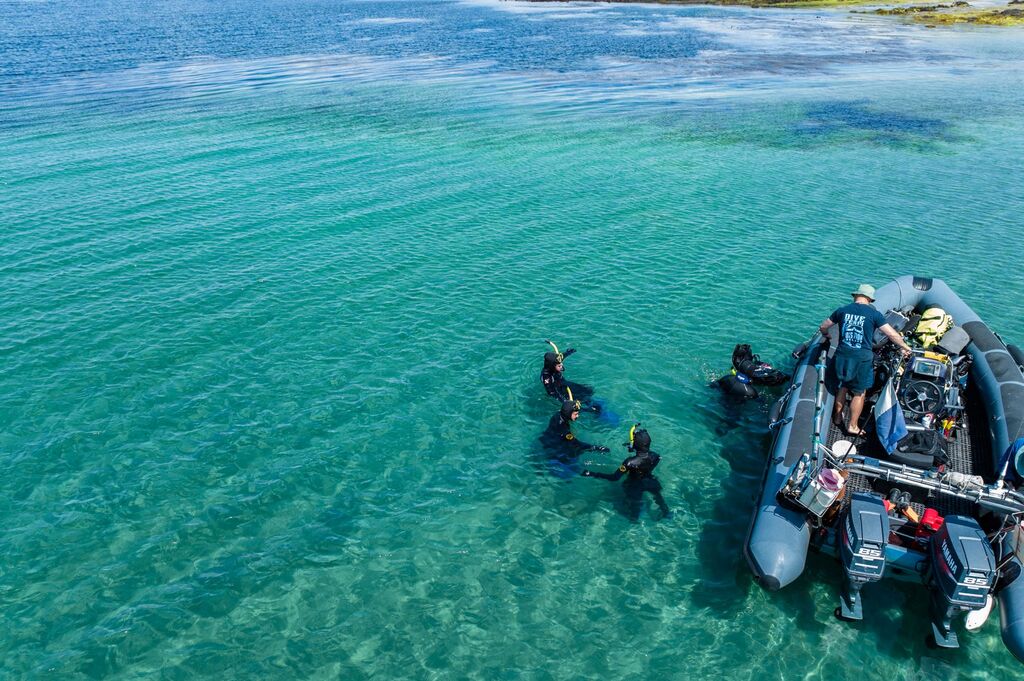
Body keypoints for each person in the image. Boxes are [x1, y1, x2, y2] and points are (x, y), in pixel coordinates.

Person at [819, 284, 912, 436]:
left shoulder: (842, 310)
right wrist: (905, 346)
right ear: (870, 299)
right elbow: (891, 334)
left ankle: (837, 418)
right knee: (859, 392)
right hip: (862, 358)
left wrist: (827, 335)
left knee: (842, 386)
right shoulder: (874, 314)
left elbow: (824, 326)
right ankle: (852, 426)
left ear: (855, 296)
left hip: (842, 354)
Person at [581, 425, 671, 522]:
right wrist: (635, 447)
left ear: (635, 444)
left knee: (634, 509)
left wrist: (593, 474)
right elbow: (645, 455)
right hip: (650, 481)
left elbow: (614, 477)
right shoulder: (655, 456)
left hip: (634, 485)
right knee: (658, 497)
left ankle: (634, 522)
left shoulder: (629, 462)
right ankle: (666, 513)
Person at [539, 397, 609, 478]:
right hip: (554, 446)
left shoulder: (559, 414)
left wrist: (587, 409)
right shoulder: (564, 429)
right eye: (576, 414)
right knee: (574, 459)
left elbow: (568, 408)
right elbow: (576, 443)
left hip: (548, 438)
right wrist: (595, 448)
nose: (578, 416)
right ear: (568, 413)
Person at [540, 340, 599, 412]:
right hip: (560, 391)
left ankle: (594, 405)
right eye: (559, 365)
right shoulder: (547, 378)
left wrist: (568, 352)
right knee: (578, 403)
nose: (562, 366)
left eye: (561, 363)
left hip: (565, 383)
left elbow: (562, 357)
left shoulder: (555, 361)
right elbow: (552, 393)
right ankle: (591, 411)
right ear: (552, 366)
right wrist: (566, 402)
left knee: (587, 391)